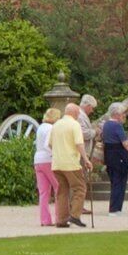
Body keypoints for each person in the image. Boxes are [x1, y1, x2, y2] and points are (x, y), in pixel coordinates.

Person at [47, 97, 90, 227]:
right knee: (80, 188)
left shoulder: (56, 125)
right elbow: (79, 144)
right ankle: (75, 215)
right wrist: (86, 159)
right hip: (71, 163)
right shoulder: (75, 125)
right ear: (75, 113)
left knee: (62, 191)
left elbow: (50, 145)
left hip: (57, 163)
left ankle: (61, 219)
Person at [98, 101, 128, 216]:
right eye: (122, 113)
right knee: (120, 182)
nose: (124, 116)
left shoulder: (106, 124)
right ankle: (115, 209)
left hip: (109, 156)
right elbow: (125, 142)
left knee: (114, 182)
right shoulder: (117, 126)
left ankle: (115, 208)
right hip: (119, 156)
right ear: (117, 114)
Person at [30, 109, 62, 228]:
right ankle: (60, 217)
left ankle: (45, 219)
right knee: (58, 187)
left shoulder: (41, 127)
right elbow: (47, 145)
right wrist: (55, 153)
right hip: (48, 159)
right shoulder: (50, 128)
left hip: (38, 159)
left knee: (43, 192)